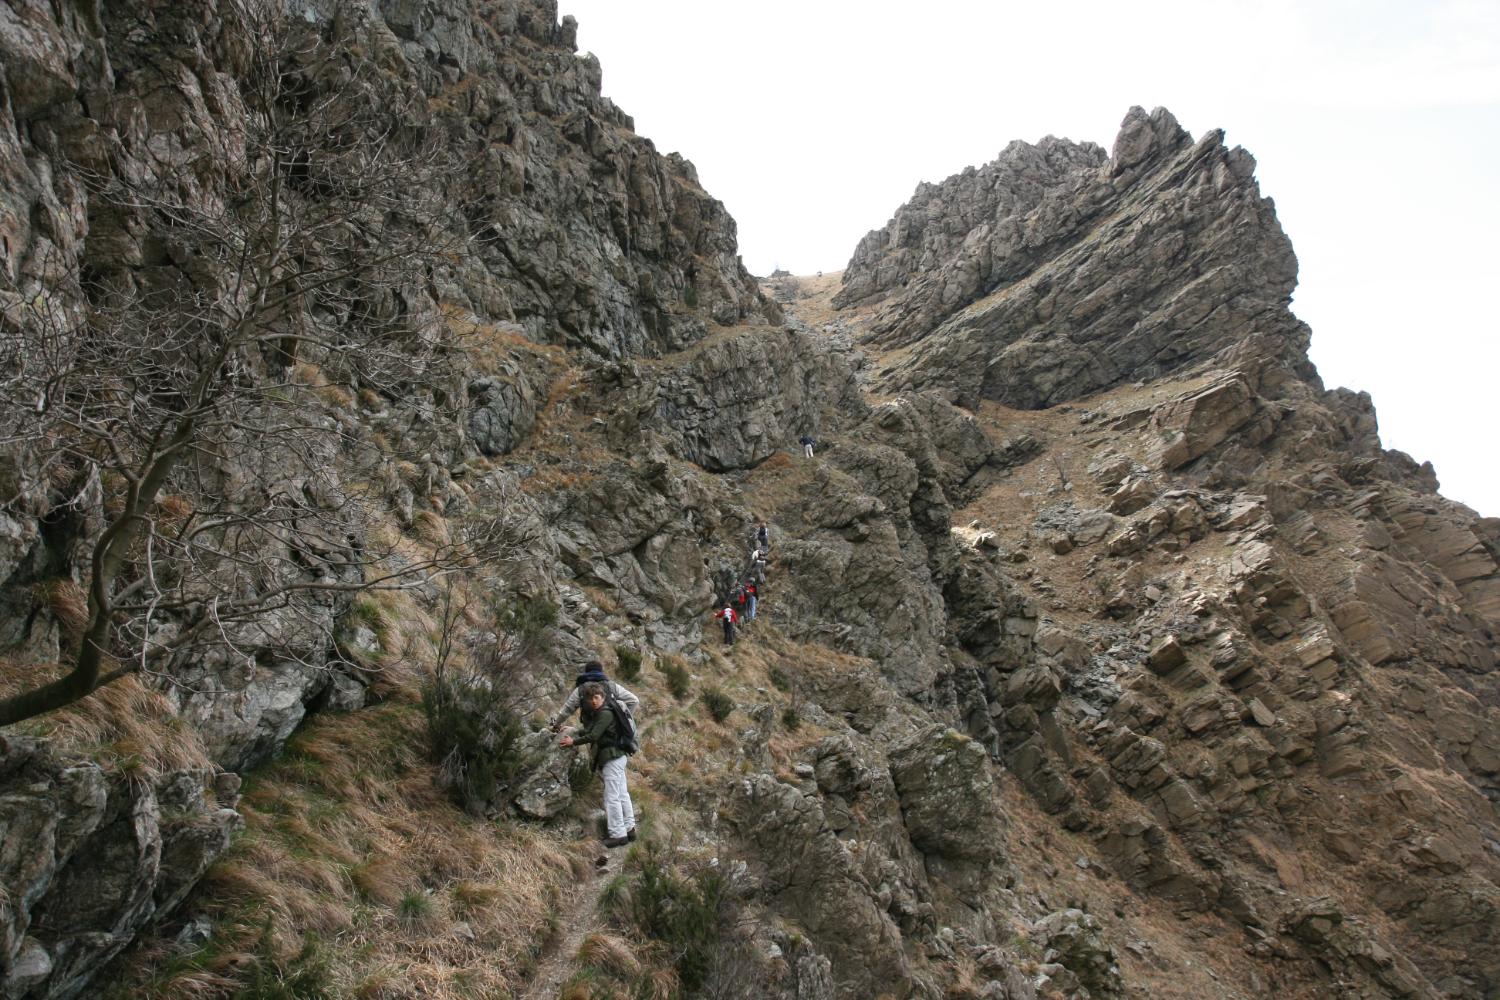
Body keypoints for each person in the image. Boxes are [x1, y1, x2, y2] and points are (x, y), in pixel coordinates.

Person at [558, 682, 636, 847]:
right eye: (590, 698)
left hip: (612, 757)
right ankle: (629, 828)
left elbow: (593, 736)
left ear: (603, 697)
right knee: (622, 793)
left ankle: (618, 834)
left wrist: (573, 741)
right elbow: (590, 730)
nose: (593, 701)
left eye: (597, 697)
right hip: (617, 756)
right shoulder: (602, 712)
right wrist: (574, 729)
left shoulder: (605, 713)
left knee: (612, 797)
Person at [548, 660, 640, 731]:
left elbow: (567, 710)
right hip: (611, 729)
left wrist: (556, 724)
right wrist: (621, 721)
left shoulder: (580, 689)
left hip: (590, 730)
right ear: (601, 671)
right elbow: (634, 701)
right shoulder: (612, 686)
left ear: (586, 672)